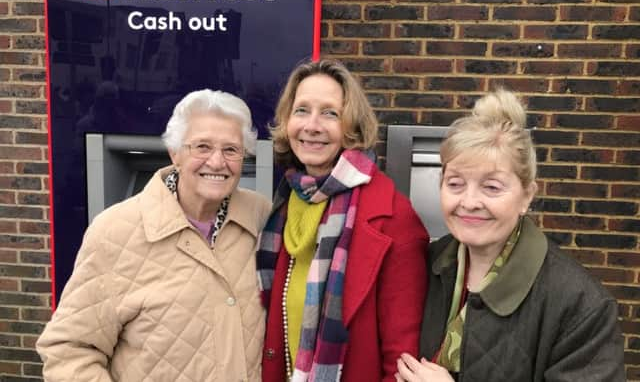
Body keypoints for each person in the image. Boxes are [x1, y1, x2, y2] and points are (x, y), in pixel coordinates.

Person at [37, 89, 271, 381]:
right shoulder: (115, 231)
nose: (216, 161)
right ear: (174, 152)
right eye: (201, 146)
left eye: (231, 149)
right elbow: (67, 350)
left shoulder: (262, 217)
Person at [396, 89, 625, 382]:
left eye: (491, 187)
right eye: (455, 183)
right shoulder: (423, 266)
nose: (469, 202)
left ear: (526, 196)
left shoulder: (580, 306)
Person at [257, 58, 429, 382]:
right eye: (302, 110)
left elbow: (402, 364)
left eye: (330, 113)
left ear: (352, 127)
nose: (312, 125)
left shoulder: (394, 220)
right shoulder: (285, 203)